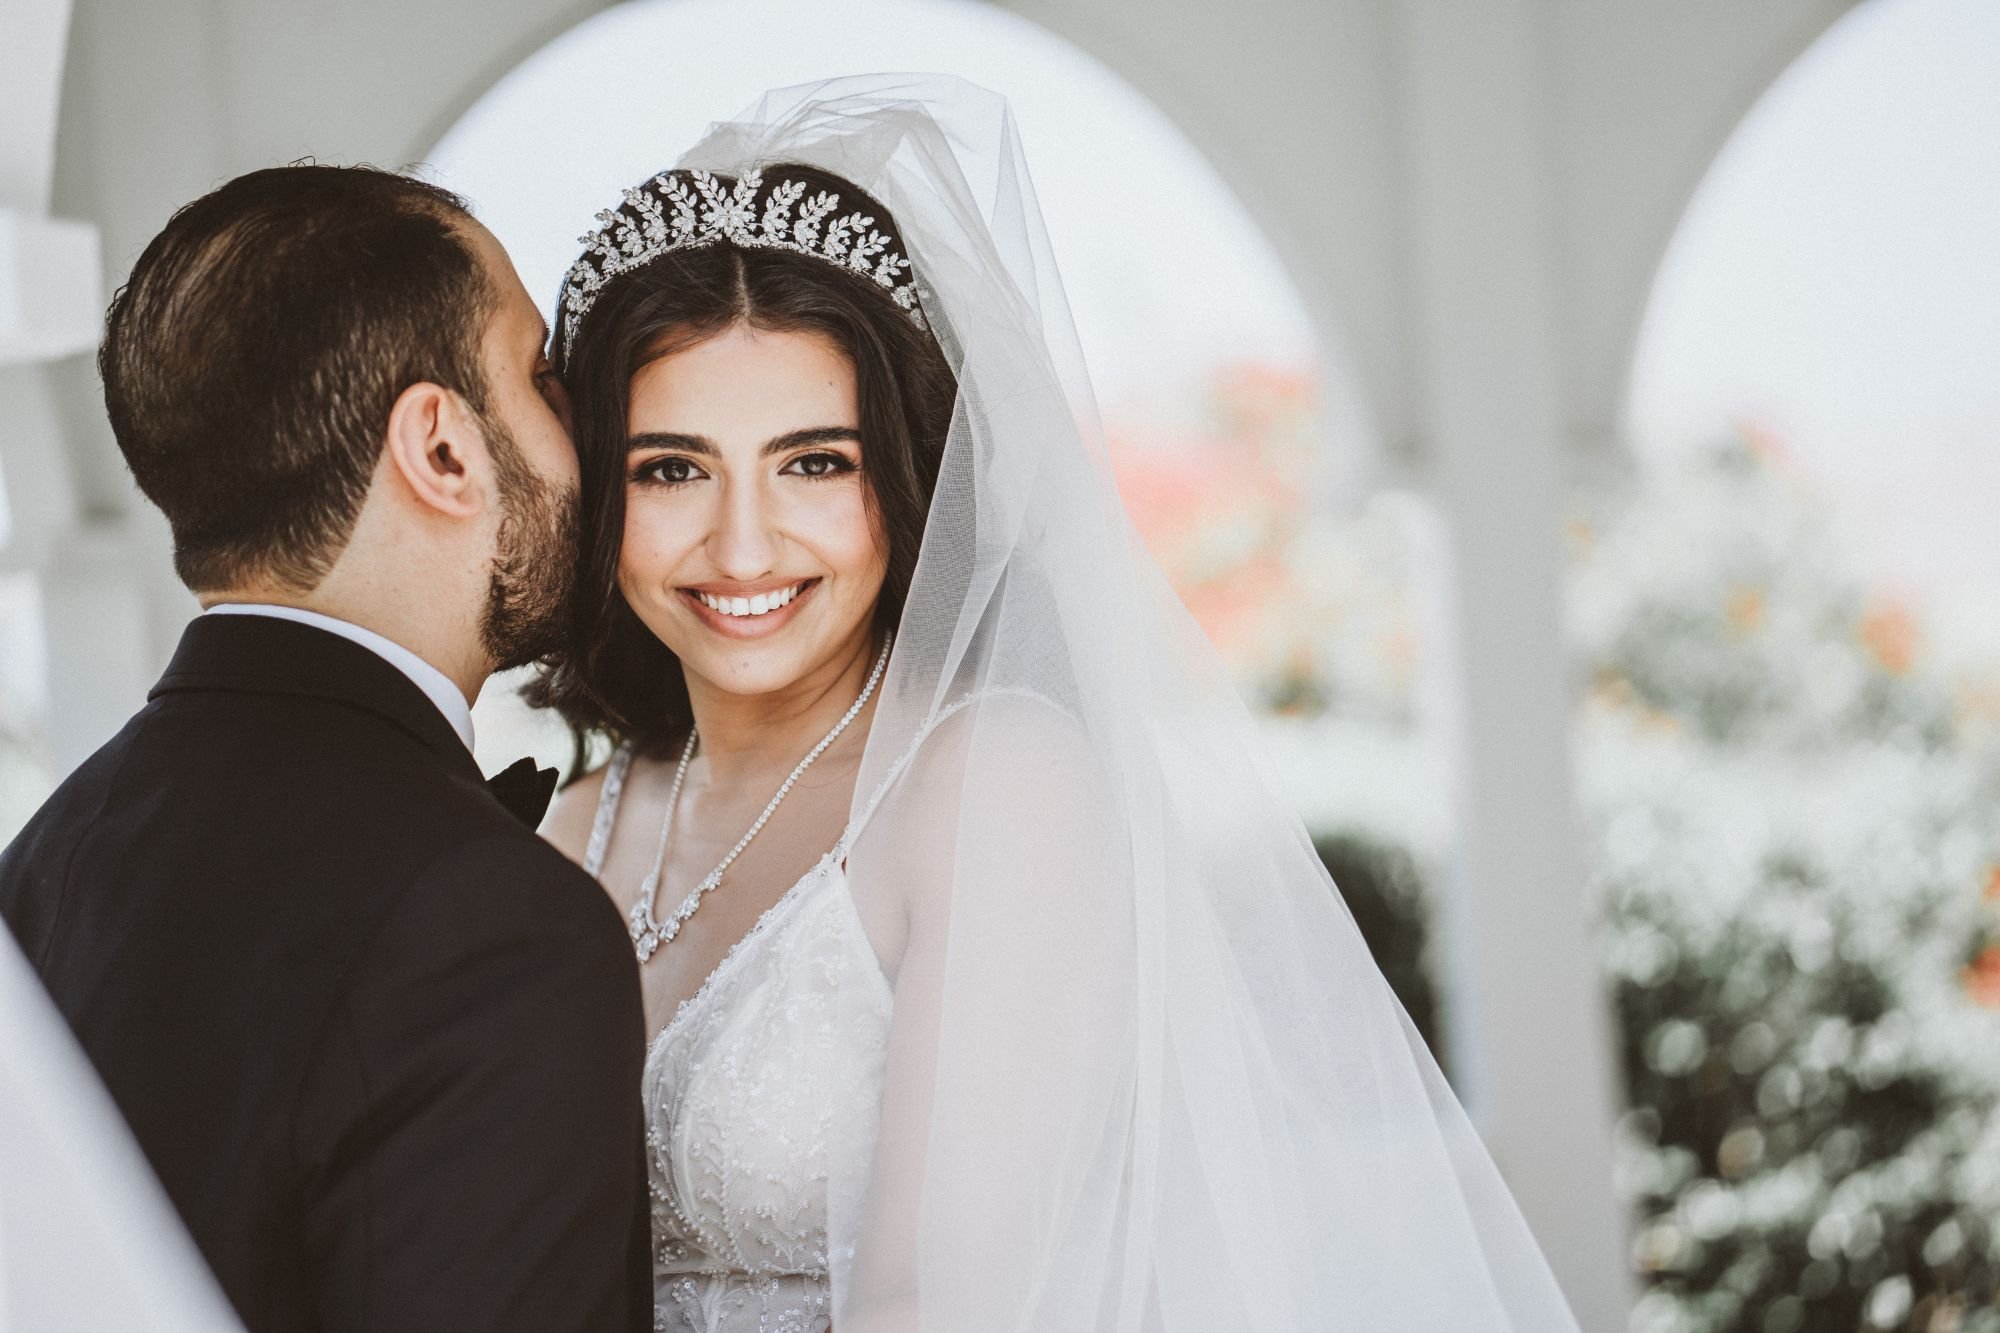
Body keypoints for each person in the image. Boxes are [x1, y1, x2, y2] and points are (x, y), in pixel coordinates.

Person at [536, 75, 1584, 1331]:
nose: (743, 542)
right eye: (670, 469)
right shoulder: (571, 825)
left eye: (814, 462)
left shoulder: (988, 787)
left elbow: (945, 1297)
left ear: (910, 479)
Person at [0, 165, 651, 1331]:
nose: (581, 432)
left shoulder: (48, 859)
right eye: (540, 374)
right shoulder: (497, 930)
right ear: (441, 449)